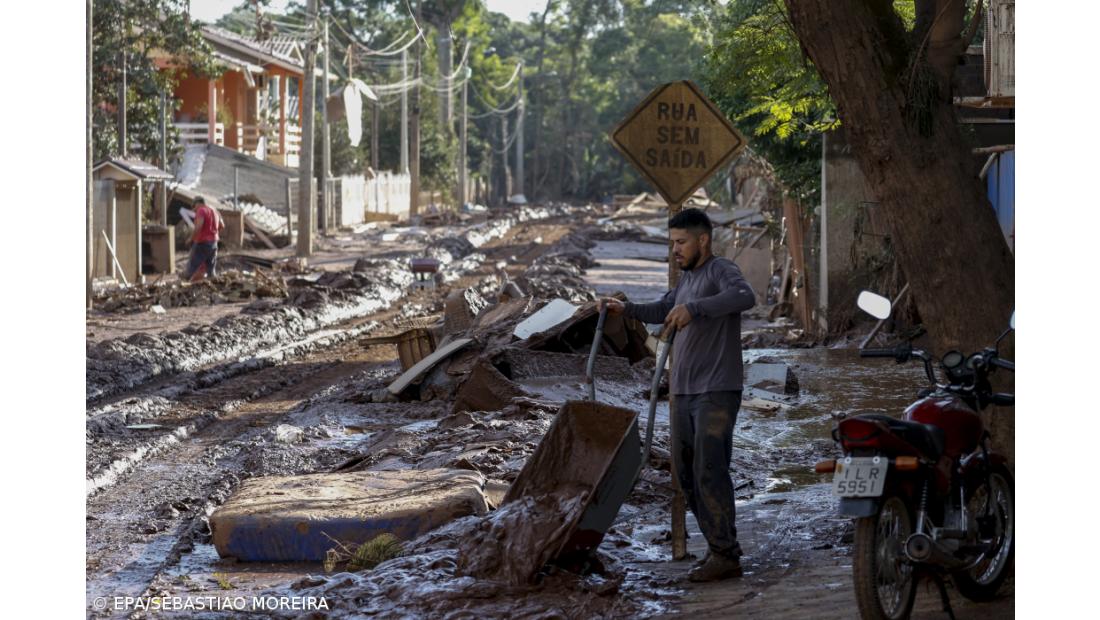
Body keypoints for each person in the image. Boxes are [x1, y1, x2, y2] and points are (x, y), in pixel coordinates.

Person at [599, 208, 755, 582]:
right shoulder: (685, 282)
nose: (675, 250)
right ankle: (722, 547)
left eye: (681, 242)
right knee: (686, 475)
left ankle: (724, 554)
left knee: (709, 469)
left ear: (703, 240)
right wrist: (627, 308)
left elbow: (745, 296)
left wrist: (696, 309)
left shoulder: (720, 271)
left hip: (716, 389)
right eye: (672, 243)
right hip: (683, 391)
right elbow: (664, 308)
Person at [185, 196, 224, 282]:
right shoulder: (214, 210)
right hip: (214, 243)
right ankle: (212, 287)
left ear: (198, 203)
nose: (194, 210)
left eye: (194, 207)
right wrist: (213, 234)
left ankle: (186, 285)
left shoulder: (201, 210)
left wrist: (191, 239)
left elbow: (198, 227)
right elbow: (222, 225)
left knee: (192, 267)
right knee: (211, 270)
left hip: (202, 243)